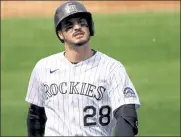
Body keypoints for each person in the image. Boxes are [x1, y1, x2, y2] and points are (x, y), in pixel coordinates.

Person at [25, 1, 141, 136]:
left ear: (90, 27)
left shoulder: (112, 68)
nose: (77, 27)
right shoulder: (43, 67)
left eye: (82, 22)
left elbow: (127, 116)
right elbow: (36, 116)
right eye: (69, 25)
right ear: (60, 34)